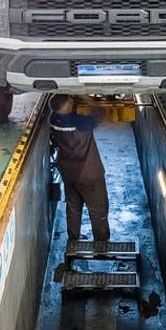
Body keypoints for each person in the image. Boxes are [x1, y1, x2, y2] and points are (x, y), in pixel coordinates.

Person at [49, 94, 110, 242]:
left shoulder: (54, 120)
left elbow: (68, 113)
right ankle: (101, 241)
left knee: (73, 207)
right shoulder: (80, 123)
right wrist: (87, 98)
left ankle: (74, 239)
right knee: (98, 210)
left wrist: (72, 102)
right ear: (68, 105)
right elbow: (100, 115)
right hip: (90, 174)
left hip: (69, 173)